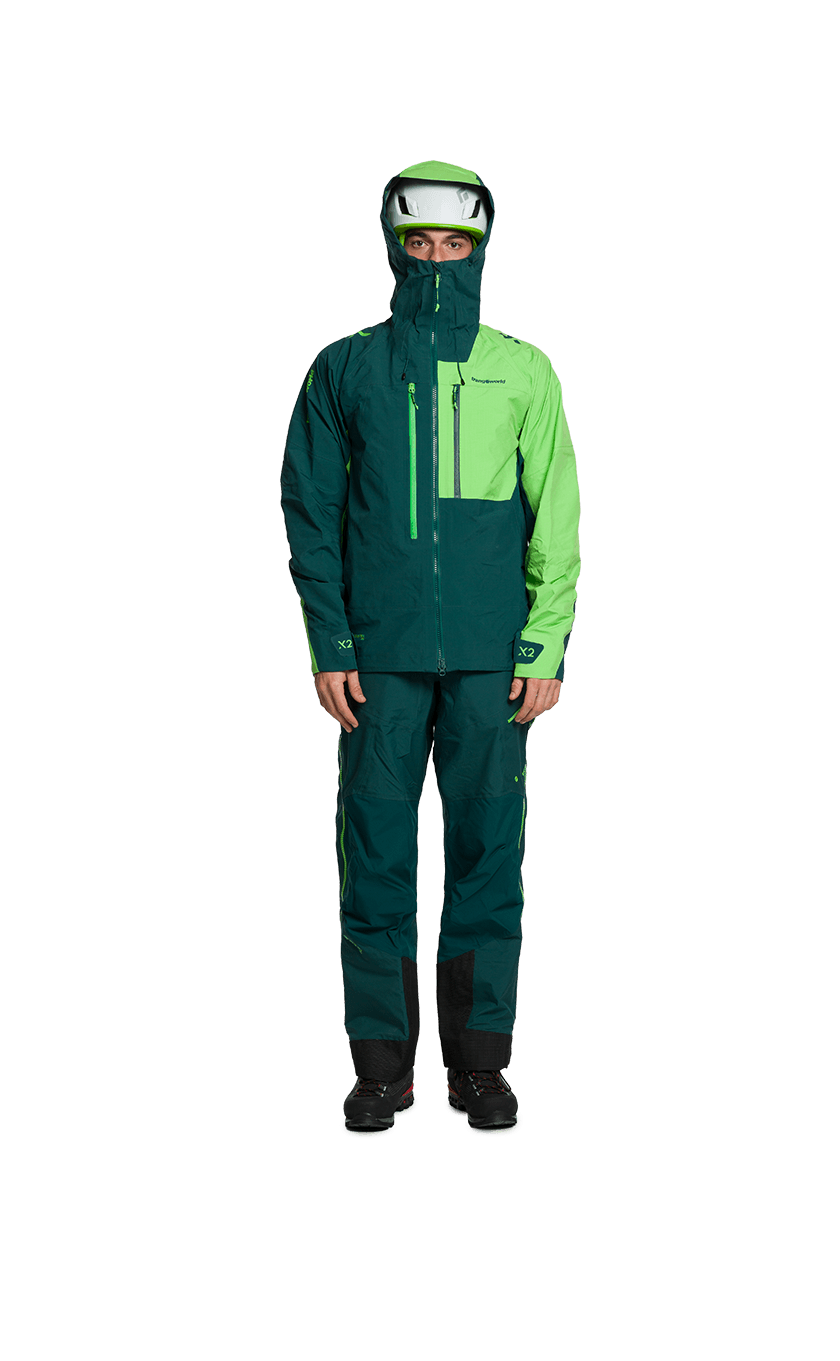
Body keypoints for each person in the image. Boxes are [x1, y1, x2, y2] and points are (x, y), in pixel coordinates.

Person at [279, 160, 581, 1139]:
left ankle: (478, 1066)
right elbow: (311, 509)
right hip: (378, 660)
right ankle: (381, 1072)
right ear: (393, 244)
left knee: (488, 862)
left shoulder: (524, 369)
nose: (438, 258)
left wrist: (544, 645)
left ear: (480, 248)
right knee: (374, 860)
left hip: (495, 662)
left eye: (456, 243)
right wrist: (330, 639)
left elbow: (556, 515)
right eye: (421, 241)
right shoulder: (345, 369)